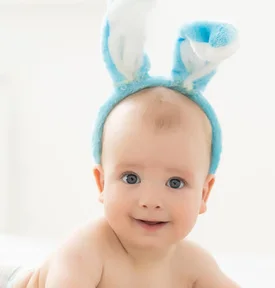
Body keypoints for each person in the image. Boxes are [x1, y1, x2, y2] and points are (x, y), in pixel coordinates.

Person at [8, 0, 240, 287]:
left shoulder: (193, 264)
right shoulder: (86, 251)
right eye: (131, 177)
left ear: (204, 193)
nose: (150, 201)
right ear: (101, 183)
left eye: (175, 183)